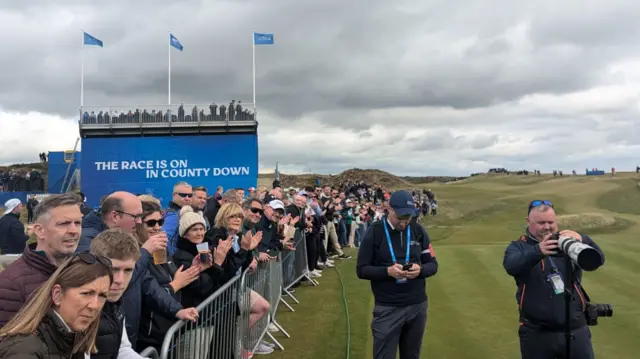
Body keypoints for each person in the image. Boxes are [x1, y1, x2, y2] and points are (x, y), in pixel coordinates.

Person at [503, 200, 605, 359]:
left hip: (575, 330)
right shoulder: (519, 247)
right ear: (528, 222)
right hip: (537, 334)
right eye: (541, 222)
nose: (547, 227)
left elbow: (598, 260)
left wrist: (582, 238)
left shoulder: (567, 244)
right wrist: (538, 251)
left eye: (551, 222)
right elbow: (511, 265)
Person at [356, 190, 438, 359]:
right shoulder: (375, 231)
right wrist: (387, 271)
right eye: (400, 217)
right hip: (388, 308)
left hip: (417, 306)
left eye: (408, 217)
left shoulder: (417, 230)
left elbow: (433, 265)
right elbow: (362, 269)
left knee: (412, 355)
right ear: (389, 209)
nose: (404, 222)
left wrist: (420, 270)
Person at [0, 252, 113, 358]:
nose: (95, 305)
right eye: (87, 293)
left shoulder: (72, 338)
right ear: (57, 294)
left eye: (102, 296)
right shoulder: (24, 348)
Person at [0, 193, 83, 327]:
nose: (74, 231)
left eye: (78, 223)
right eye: (64, 223)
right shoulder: (10, 285)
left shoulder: (83, 272)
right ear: (40, 231)